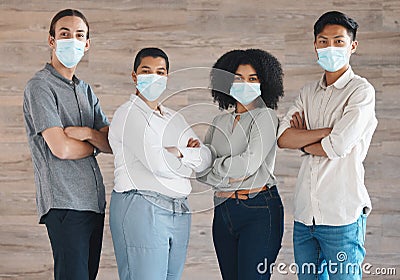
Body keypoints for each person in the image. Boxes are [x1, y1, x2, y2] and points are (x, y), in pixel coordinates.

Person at [277, 11, 378, 280]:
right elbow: (283, 137)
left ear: (352, 46)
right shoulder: (308, 92)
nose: (330, 48)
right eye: (323, 41)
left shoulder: (361, 91)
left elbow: (339, 146)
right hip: (305, 217)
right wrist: (323, 134)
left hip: (342, 216)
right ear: (315, 45)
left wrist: (305, 138)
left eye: (338, 41)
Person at [108, 47, 212, 280]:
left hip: (179, 211)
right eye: (147, 71)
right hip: (142, 206)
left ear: (167, 77)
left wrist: (175, 152)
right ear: (134, 76)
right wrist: (186, 157)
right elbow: (156, 162)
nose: (154, 77)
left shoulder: (175, 118)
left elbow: (205, 159)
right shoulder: (129, 114)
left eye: (160, 72)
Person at [23, 9, 111, 280]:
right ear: (51, 41)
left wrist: (85, 133)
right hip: (65, 205)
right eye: (64, 34)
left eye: (79, 35)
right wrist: (93, 144)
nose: (72, 40)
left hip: (93, 205)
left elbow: (109, 142)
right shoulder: (40, 86)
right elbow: (60, 147)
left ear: (87, 44)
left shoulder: (85, 90)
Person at [197, 49, 284, 280]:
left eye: (252, 79)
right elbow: (200, 169)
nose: (245, 84)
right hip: (223, 210)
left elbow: (249, 163)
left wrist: (215, 168)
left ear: (264, 82)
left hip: (258, 209)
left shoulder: (266, 117)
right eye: (238, 78)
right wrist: (222, 171)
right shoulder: (219, 121)